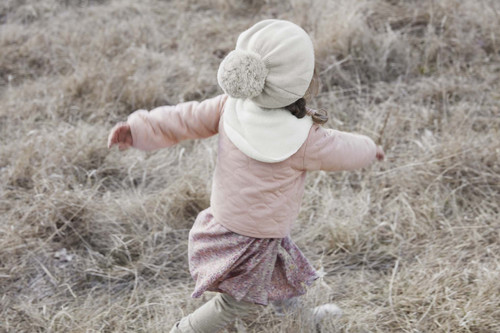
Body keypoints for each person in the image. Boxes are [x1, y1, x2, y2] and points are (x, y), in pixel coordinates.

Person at [108, 19, 384, 333]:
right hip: (253, 239)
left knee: (279, 271)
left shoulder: (230, 106)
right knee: (236, 303)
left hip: (225, 224)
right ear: (303, 82)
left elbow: (183, 117)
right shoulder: (305, 139)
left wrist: (140, 127)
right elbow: (344, 148)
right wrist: (370, 149)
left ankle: (300, 320)